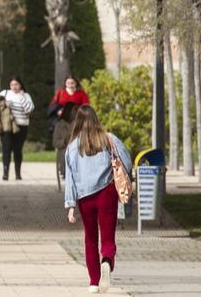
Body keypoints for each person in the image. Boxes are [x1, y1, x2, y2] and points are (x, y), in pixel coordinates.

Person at [64, 105, 132, 293]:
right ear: (96, 119)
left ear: (77, 121)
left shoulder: (71, 148)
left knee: (90, 238)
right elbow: (126, 160)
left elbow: (70, 178)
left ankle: (94, 282)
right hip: (107, 193)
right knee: (108, 236)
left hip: (85, 198)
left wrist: (70, 205)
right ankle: (107, 262)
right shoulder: (109, 139)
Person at [0, 77, 34, 180]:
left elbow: (29, 110)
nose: (14, 87)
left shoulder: (26, 96)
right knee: (6, 148)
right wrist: (4, 104)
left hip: (21, 126)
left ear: (20, 85)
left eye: (16, 84)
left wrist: (21, 97)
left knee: (17, 150)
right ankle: (5, 173)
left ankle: (18, 173)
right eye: (12, 84)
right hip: (6, 126)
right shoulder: (5, 93)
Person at [49, 76, 90, 145]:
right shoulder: (60, 93)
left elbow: (86, 106)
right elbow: (53, 105)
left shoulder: (81, 94)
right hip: (62, 119)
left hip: (77, 118)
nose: (70, 85)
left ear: (75, 83)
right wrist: (58, 111)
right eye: (68, 83)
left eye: (72, 83)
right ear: (65, 83)